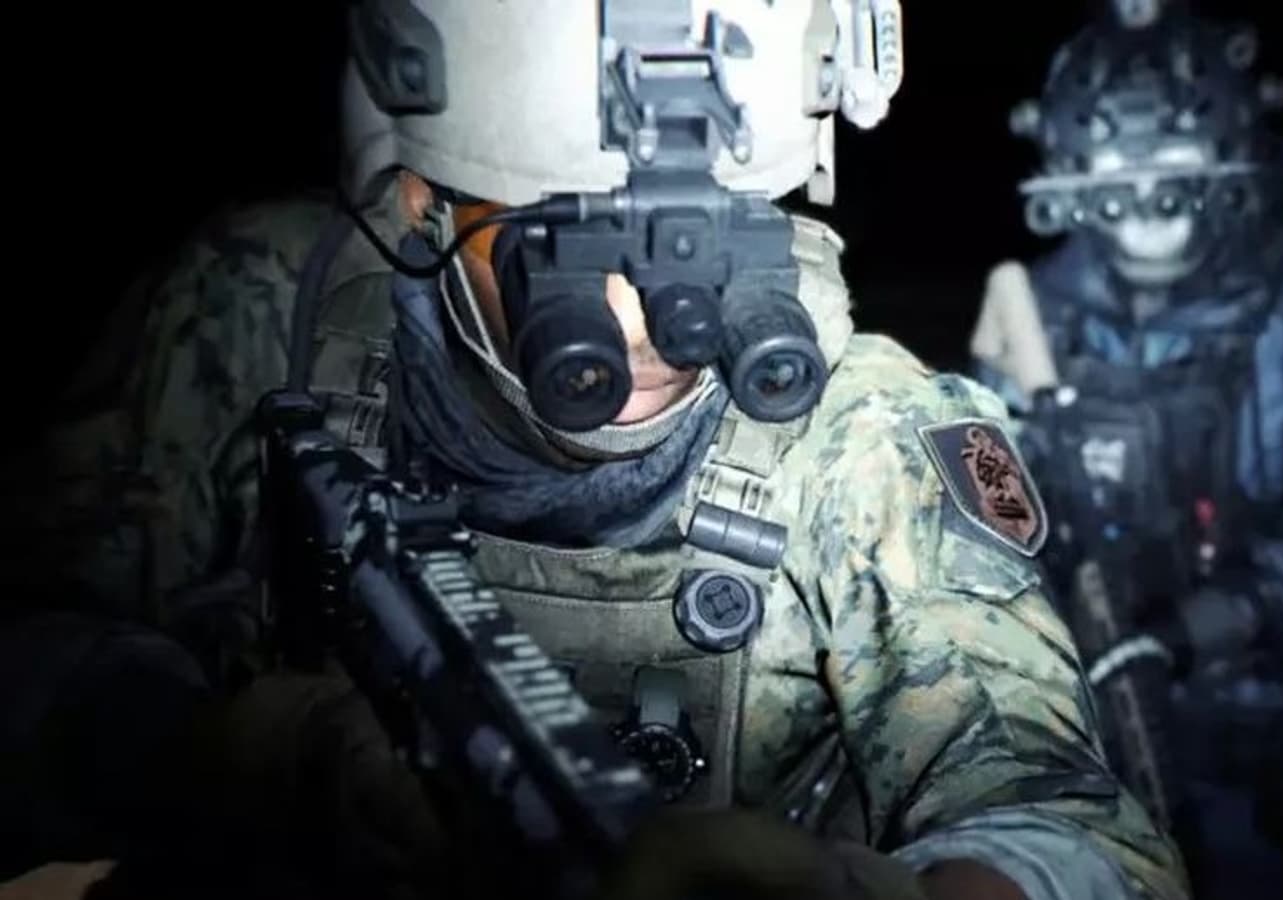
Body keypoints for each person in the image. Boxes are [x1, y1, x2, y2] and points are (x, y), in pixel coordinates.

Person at [0, 3, 1189, 899]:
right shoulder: (266, 315)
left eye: (705, 244)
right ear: (418, 202)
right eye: (559, 251)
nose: (640, 313)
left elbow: (1077, 833)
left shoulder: (862, 434)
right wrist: (212, 754)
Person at [968, 4, 1283, 900]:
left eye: (1177, 170)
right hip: (1093, 733)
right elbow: (984, 486)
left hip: (1273, 742)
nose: (1146, 209)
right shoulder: (1038, 304)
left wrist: (1201, 627)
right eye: (1115, 178)